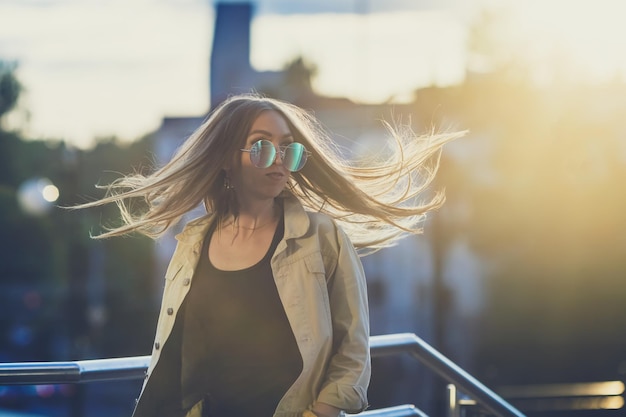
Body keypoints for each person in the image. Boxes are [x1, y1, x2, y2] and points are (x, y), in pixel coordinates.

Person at [78, 94, 463, 417]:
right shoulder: (192, 243)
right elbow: (173, 352)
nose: (279, 158)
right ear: (228, 157)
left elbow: (353, 350)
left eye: (288, 148)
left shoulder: (322, 237)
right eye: (262, 146)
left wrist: (320, 413)